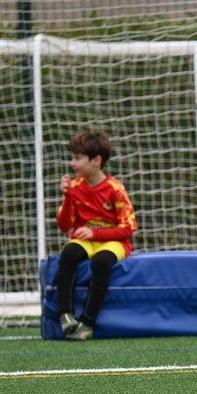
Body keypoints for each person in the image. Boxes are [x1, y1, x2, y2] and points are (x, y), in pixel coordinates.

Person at [56, 129, 138, 341]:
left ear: (96, 160)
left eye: (77, 158)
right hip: (86, 241)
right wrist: (67, 196)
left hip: (113, 242)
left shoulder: (115, 188)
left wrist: (94, 232)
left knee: (102, 262)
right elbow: (64, 225)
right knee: (69, 253)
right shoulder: (75, 187)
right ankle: (65, 314)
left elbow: (129, 228)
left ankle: (87, 323)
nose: (72, 163)